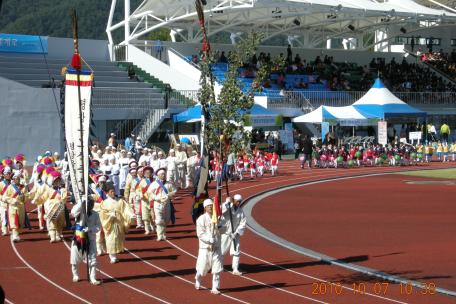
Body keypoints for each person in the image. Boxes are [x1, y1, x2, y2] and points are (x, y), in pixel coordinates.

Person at [98, 182, 133, 264]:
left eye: (114, 191)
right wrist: (110, 216)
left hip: (119, 222)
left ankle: (115, 254)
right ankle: (112, 256)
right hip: (110, 223)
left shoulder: (120, 201)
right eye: (111, 191)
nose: (113, 193)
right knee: (110, 239)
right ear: (107, 193)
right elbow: (102, 213)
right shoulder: (104, 202)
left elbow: (126, 210)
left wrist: (131, 215)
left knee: (118, 238)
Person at [70, 198, 102, 285]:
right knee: (74, 258)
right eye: (89, 204)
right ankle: (75, 275)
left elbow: (99, 226)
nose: (91, 206)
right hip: (78, 238)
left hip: (90, 239)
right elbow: (73, 212)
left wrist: (90, 229)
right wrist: (81, 202)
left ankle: (93, 278)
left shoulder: (95, 214)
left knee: (92, 259)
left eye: (92, 204)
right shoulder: (80, 213)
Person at [195, 199, 223, 294]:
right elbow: (200, 234)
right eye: (208, 206)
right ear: (205, 208)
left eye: (212, 205)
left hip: (216, 247)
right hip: (205, 248)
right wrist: (208, 239)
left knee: (217, 268)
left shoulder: (218, 218)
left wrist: (221, 227)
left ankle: (215, 287)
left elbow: (224, 229)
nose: (210, 207)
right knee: (202, 268)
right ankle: (198, 277)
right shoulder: (201, 219)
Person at [220, 195, 247, 276]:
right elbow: (220, 211)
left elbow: (243, 223)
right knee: (221, 251)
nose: (238, 203)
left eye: (240, 201)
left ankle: (235, 269)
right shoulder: (228, 207)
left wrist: (236, 232)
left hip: (235, 234)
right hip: (226, 233)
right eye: (237, 201)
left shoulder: (241, 211)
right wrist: (226, 203)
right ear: (233, 200)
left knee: (236, 251)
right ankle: (219, 266)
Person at [149, 168, 176, 241]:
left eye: (164, 174)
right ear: (158, 175)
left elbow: (174, 190)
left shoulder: (169, 184)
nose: (163, 175)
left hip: (167, 204)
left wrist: (169, 195)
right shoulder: (154, 184)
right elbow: (150, 193)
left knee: (166, 220)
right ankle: (159, 235)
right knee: (159, 220)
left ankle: (163, 233)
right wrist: (157, 198)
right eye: (162, 174)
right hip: (158, 204)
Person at [3, 171, 28, 242]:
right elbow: (4, 197)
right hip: (12, 207)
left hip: (21, 207)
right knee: (13, 221)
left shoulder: (23, 187)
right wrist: (12, 200)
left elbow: (26, 197)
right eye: (15, 178)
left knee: (20, 222)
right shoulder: (10, 187)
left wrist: (23, 197)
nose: (16, 180)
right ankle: (15, 235)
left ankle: (17, 233)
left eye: (17, 178)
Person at [138, 166, 155, 235]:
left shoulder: (154, 181)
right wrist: (140, 195)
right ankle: (147, 229)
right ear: (144, 174)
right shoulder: (142, 181)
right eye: (146, 173)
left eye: (149, 173)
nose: (148, 174)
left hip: (153, 200)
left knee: (152, 215)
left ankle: (153, 227)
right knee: (145, 216)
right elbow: (139, 190)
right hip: (145, 201)